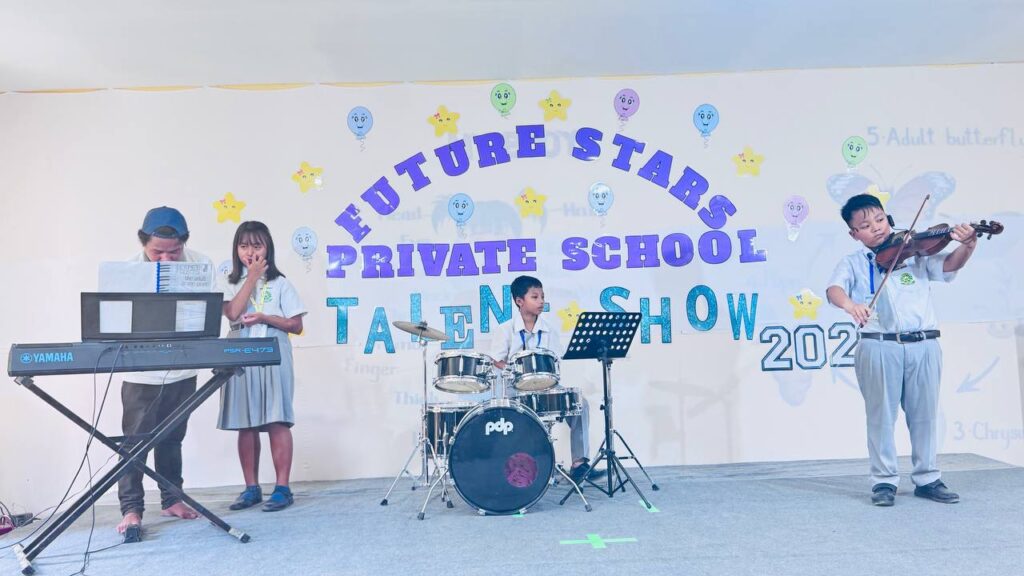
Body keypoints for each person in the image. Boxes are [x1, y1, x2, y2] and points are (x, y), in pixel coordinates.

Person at [826, 194, 978, 506]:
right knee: (881, 417)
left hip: (924, 344)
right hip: (878, 345)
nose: (876, 228)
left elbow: (949, 265)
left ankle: (928, 478)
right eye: (865, 225)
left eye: (880, 219)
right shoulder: (853, 262)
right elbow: (834, 290)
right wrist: (851, 306)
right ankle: (884, 482)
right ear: (854, 234)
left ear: (889, 219)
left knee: (925, 416)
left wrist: (968, 245)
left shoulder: (915, 252)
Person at [117, 207, 209, 541]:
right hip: (141, 373)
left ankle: (172, 499)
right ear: (143, 243)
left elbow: (207, 311)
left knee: (172, 437)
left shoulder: (200, 265)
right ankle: (131, 509)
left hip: (183, 369)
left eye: (174, 252)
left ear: (184, 243)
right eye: (158, 252)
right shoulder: (127, 271)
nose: (166, 259)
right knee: (135, 443)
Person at [220, 221, 306, 512]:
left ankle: (282, 488)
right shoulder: (228, 282)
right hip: (239, 350)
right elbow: (233, 312)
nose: (250, 252)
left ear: (268, 247)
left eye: (257, 245)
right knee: (246, 422)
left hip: (273, 348)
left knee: (277, 419)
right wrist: (251, 278)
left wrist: (266, 318)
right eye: (244, 246)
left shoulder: (281, 283)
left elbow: (296, 325)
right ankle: (251, 488)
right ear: (236, 249)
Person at [490, 275, 594, 484]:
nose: (541, 301)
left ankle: (579, 464)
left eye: (543, 297)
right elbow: (496, 360)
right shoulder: (505, 329)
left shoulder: (549, 329)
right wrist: (513, 369)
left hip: (546, 385)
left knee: (580, 404)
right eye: (535, 297)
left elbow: (554, 360)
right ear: (519, 301)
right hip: (516, 387)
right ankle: (524, 466)